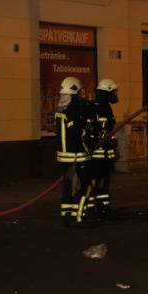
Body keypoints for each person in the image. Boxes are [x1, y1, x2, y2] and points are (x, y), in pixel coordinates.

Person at [55, 77, 95, 227]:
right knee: (85, 186)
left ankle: (67, 216)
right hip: (76, 154)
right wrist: (86, 131)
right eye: (79, 91)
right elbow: (74, 131)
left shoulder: (61, 106)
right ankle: (79, 217)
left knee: (69, 186)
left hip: (64, 155)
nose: (81, 94)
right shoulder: (72, 107)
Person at [88, 78, 119, 219]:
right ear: (107, 92)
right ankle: (92, 209)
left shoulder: (104, 106)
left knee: (103, 183)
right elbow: (96, 129)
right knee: (95, 182)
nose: (115, 95)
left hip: (105, 153)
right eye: (113, 92)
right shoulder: (98, 107)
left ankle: (103, 208)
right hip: (98, 154)